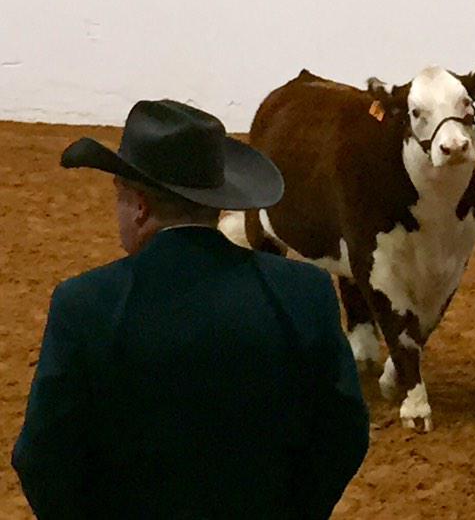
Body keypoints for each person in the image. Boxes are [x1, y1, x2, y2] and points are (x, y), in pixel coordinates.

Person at [12, 100, 370, 518]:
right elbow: (344, 433)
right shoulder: (303, 293)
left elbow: (42, 457)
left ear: (140, 206)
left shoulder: (85, 304)